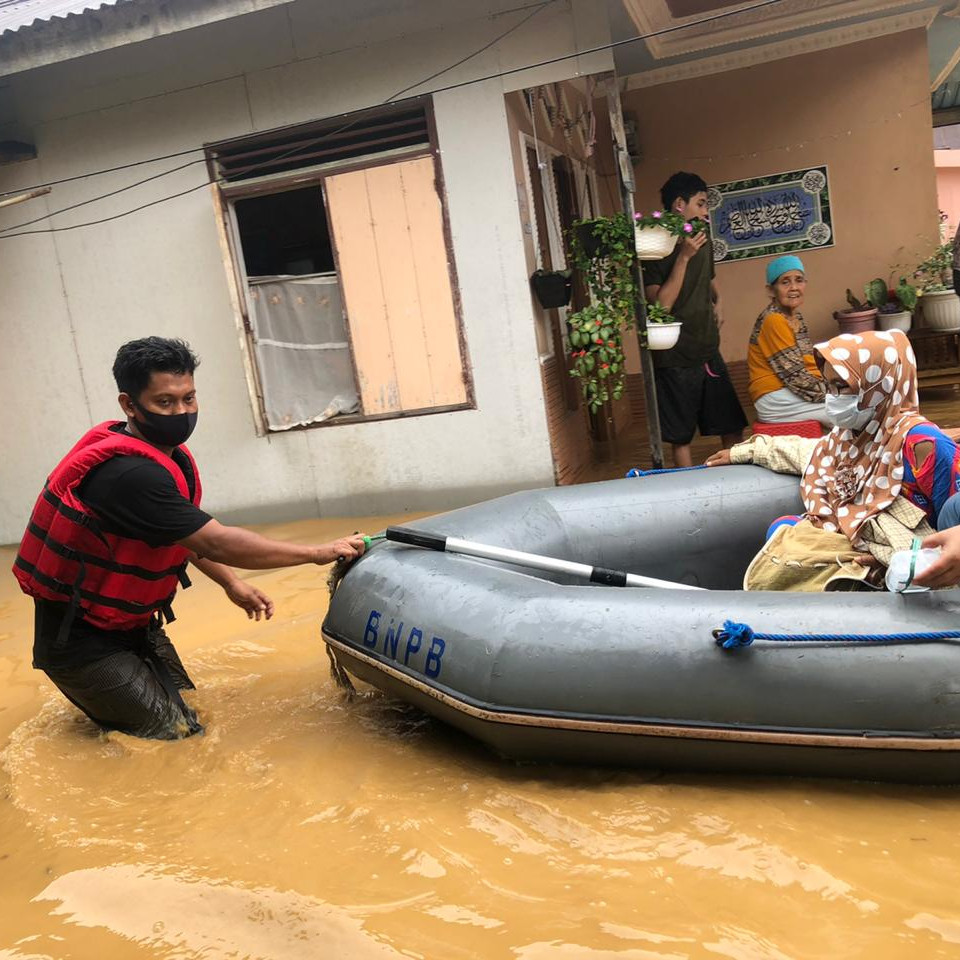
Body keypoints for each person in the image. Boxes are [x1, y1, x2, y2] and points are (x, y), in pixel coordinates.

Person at [13, 337, 367, 740]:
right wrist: (317, 552)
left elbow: (183, 533)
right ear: (129, 405)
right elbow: (216, 541)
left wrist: (231, 583)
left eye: (189, 398)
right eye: (165, 402)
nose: (181, 412)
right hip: (81, 644)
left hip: (133, 624)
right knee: (179, 739)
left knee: (191, 713)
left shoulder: (163, 456)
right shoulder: (130, 476)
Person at [706, 329, 960, 590]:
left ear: (878, 385)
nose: (832, 398)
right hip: (854, 536)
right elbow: (808, 452)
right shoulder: (850, 437)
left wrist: (896, 557)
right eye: (829, 386)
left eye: (842, 387)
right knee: (782, 531)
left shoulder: (922, 444)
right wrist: (746, 451)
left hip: (909, 555)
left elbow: (949, 526)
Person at [643, 171, 747, 467]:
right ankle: (688, 494)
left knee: (732, 427)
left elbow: (708, 279)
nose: (705, 212)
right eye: (700, 204)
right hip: (675, 354)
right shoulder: (652, 246)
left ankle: (736, 484)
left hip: (707, 348)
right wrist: (683, 257)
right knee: (681, 437)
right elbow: (661, 305)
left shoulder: (702, 238)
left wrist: (720, 299)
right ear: (679, 204)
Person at [747, 255, 830, 426]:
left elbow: (808, 366)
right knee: (852, 412)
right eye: (785, 282)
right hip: (776, 397)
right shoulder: (774, 320)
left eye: (799, 280)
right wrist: (834, 392)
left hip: (790, 392)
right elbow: (796, 377)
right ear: (771, 290)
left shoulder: (795, 317)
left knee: (853, 406)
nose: (794, 288)